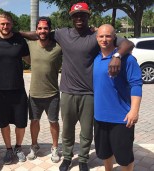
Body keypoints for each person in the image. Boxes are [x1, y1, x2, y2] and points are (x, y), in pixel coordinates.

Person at [20, 2, 134, 171]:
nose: (79, 18)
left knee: (87, 131)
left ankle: (83, 159)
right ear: (71, 18)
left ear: (88, 16)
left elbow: (128, 44)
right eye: (76, 16)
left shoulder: (96, 35)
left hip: (89, 93)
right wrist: (14, 33)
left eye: (82, 15)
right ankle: (67, 157)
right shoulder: (62, 34)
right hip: (67, 91)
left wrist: (117, 55)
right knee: (67, 129)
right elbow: (38, 34)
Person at [93, 24, 142, 171]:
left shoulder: (127, 59)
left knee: (124, 157)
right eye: (101, 36)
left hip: (121, 118)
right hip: (100, 117)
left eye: (108, 36)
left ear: (114, 37)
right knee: (104, 152)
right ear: (96, 38)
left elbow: (136, 84)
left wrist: (134, 111)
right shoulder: (96, 58)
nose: (104, 39)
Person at [0, 11, 30, 165]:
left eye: (8, 23)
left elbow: (30, 58)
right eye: (2, 23)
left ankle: (18, 147)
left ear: (12, 25)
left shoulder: (19, 40)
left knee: (21, 122)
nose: (5, 26)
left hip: (18, 89)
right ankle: (9, 149)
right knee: (3, 122)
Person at [26, 17, 62, 163]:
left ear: (50, 30)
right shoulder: (30, 45)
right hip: (34, 93)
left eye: (45, 28)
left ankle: (54, 147)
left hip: (52, 93)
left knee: (53, 122)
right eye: (40, 28)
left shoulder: (58, 47)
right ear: (36, 30)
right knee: (34, 121)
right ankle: (34, 146)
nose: (42, 31)